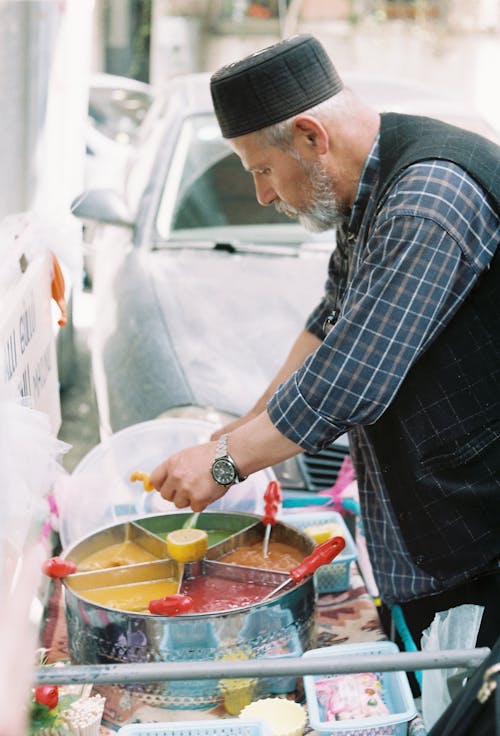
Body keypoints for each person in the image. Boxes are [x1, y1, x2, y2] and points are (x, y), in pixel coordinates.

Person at [150, 34, 500, 649]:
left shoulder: (429, 198)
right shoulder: (369, 183)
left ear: (311, 136)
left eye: (262, 169)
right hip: (429, 523)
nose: (261, 194)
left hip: (480, 535)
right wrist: (242, 427)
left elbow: (351, 379)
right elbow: (329, 322)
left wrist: (229, 463)